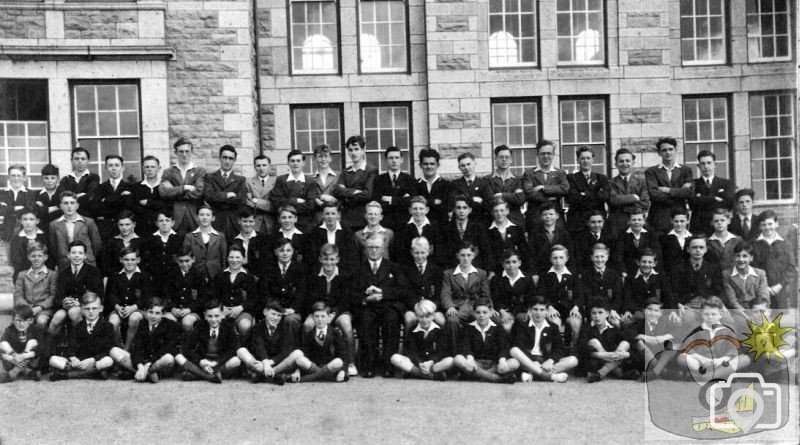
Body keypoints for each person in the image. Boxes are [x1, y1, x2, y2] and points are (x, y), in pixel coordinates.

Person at [354, 232, 408, 378]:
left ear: (383, 249)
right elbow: (351, 293)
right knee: (365, 320)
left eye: (377, 247)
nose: (373, 250)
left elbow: (403, 290)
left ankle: (388, 365)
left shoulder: (393, 267)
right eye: (370, 247)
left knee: (392, 320)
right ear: (365, 248)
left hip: (388, 306)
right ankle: (369, 365)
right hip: (368, 306)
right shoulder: (358, 268)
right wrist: (366, 298)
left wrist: (383, 292)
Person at [304, 243, 357, 376]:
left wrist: (333, 313)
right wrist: (322, 313)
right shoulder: (313, 275)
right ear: (320, 259)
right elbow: (310, 298)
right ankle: (309, 361)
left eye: (332, 259)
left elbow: (346, 299)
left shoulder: (345, 275)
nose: (329, 263)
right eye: (326, 259)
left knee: (346, 324)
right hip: (319, 311)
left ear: (337, 259)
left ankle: (350, 362)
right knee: (308, 324)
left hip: (338, 311)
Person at [509, 295, 579, 383]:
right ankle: (548, 376)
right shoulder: (523, 326)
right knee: (514, 350)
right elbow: (520, 346)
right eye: (535, 309)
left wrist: (550, 360)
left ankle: (533, 374)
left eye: (542, 310)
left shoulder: (553, 327)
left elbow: (559, 349)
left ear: (546, 312)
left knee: (573, 360)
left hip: (546, 360)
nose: (538, 313)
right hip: (528, 360)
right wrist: (533, 361)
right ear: (530, 310)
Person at [109, 297, 179, 383]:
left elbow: (166, 349)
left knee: (169, 358)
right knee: (114, 351)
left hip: (157, 361)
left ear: (163, 314)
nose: (153, 316)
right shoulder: (142, 324)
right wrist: (140, 366)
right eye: (150, 312)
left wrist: (148, 364)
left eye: (157, 313)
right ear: (146, 312)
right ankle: (148, 374)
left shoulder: (170, 325)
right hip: (143, 361)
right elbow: (136, 348)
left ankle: (142, 373)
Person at [48, 292, 115, 381]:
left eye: (94, 308)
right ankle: (93, 373)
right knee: (53, 360)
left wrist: (92, 360)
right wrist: (73, 358)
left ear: (101, 309)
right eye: (87, 309)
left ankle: (68, 375)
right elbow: (71, 347)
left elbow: (108, 349)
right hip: (79, 362)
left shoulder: (107, 326)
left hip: (95, 361)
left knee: (108, 360)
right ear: (82, 310)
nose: (91, 312)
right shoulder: (78, 326)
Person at [441, 241, 491, 354]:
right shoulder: (448, 274)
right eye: (463, 255)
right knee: (452, 320)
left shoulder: (481, 273)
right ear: (457, 256)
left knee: (483, 318)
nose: (465, 258)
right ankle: (454, 354)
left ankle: (479, 355)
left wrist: (489, 307)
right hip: (458, 307)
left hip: (476, 307)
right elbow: (446, 293)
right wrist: (449, 306)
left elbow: (485, 294)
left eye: (468, 255)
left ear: (473, 256)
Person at [175, 299, 241, 383]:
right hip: (203, 359)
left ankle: (199, 374)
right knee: (178, 357)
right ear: (205, 315)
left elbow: (232, 349)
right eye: (210, 316)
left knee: (236, 361)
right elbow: (188, 349)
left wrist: (216, 362)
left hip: (219, 361)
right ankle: (210, 376)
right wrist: (201, 361)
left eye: (217, 316)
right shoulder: (200, 327)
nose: (213, 320)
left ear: (222, 315)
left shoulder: (228, 327)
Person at [453, 298, 518, 383]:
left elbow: (503, 347)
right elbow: (465, 346)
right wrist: (470, 359)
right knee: (458, 359)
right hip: (476, 363)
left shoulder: (498, 328)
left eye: (485, 312)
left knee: (515, 362)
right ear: (473, 313)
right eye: (478, 312)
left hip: (494, 364)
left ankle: (475, 375)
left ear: (491, 313)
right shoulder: (468, 328)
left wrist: (502, 361)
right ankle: (497, 379)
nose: (481, 315)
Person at [677, 297, 738, 383]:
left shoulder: (728, 329)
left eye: (713, 314)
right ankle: (707, 374)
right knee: (682, 357)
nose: (710, 317)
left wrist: (719, 360)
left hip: (720, 362)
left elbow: (733, 350)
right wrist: (702, 359)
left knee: (737, 360)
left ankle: (708, 375)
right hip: (701, 362)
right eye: (706, 314)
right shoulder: (694, 327)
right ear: (702, 314)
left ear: (720, 314)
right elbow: (687, 346)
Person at [49, 241, 104, 336]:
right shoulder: (63, 273)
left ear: (85, 256)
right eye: (73, 253)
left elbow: (99, 293)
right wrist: (64, 302)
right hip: (66, 307)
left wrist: (79, 302)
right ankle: (49, 347)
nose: (77, 256)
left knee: (73, 312)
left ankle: (81, 343)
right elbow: (58, 295)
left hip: (86, 306)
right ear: (68, 255)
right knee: (57, 317)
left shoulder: (93, 271)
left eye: (80, 253)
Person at [390, 299, 453, 380]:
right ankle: (430, 376)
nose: (424, 320)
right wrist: (419, 363)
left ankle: (416, 373)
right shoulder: (412, 330)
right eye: (421, 316)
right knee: (395, 358)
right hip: (418, 363)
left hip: (433, 363)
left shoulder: (439, 330)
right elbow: (411, 351)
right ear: (416, 316)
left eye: (427, 316)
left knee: (451, 360)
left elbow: (441, 351)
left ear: (433, 316)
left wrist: (431, 362)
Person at [236, 299, 296, 384]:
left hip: (276, 362)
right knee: (241, 351)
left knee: (294, 355)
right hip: (261, 362)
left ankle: (263, 374)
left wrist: (269, 363)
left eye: (279, 315)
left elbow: (286, 351)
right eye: (273, 314)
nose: (275, 318)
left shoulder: (285, 328)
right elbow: (259, 347)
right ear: (265, 312)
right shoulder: (258, 327)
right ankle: (273, 375)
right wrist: (265, 362)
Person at [287, 301, 349, 383]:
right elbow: (305, 353)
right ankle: (324, 376)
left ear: (329, 317)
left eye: (323, 316)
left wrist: (342, 370)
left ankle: (307, 378)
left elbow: (343, 353)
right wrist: (297, 371)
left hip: (330, 366)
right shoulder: (309, 334)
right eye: (317, 316)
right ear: (312, 317)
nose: (320, 319)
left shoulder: (335, 333)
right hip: (314, 366)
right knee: (300, 359)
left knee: (338, 362)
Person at [105, 247, 151, 351]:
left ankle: (127, 348)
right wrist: (117, 307)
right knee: (113, 322)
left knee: (134, 318)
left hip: (138, 309)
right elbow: (111, 294)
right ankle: (118, 348)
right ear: (121, 260)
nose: (129, 262)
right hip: (119, 309)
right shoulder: (115, 275)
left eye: (132, 259)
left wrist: (134, 307)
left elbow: (146, 296)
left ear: (138, 260)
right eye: (126, 260)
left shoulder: (144, 276)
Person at [159, 137, 206, 238]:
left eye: (187, 151)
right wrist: (185, 187)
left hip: (194, 217)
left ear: (191, 152)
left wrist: (174, 191)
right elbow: (163, 192)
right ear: (176, 153)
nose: (184, 154)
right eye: (181, 151)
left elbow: (199, 192)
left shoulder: (199, 171)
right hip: (175, 219)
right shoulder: (169, 172)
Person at [644, 137, 693, 233]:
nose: (668, 152)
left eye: (670, 149)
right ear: (659, 153)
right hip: (659, 217)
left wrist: (668, 190)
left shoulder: (685, 170)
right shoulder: (652, 172)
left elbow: (689, 192)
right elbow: (654, 195)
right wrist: (679, 192)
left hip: (679, 217)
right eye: (664, 150)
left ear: (676, 150)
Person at [751, 210, 798, 308]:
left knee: (778, 320)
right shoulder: (754, 245)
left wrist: (779, 285)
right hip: (760, 291)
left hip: (780, 291)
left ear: (776, 224)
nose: (767, 227)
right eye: (764, 224)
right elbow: (752, 269)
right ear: (760, 226)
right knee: (761, 319)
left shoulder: (785, 244)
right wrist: (764, 287)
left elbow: (791, 269)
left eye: (770, 224)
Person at [670, 236, 724, 321]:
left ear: (706, 249)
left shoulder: (713, 267)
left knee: (727, 319)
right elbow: (673, 291)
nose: (698, 250)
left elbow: (718, 289)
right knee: (689, 319)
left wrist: (717, 303)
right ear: (688, 249)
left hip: (709, 302)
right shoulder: (679, 268)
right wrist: (678, 304)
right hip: (689, 304)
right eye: (694, 247)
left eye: (701, 247)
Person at [581, 297, 632, 383]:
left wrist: (621, 353)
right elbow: (582, 348)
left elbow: (627, 341)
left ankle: (601, 373)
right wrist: (601, 354)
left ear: (607, 314)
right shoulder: (586, 328)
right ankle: (618, 372)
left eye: (600, 312)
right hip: (595, 360)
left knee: (625, 343)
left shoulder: (614, 328)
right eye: (594, 313)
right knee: (594, 342)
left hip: (612, 356)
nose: (597, 316)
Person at [539, 245, 581, 348]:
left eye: (561, 258)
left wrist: (576, 307)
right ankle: (556, 350)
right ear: (550, 259)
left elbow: (580, 295)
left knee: (575, 322)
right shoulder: (545, 275)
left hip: (570, 309)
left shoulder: (573, 275)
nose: (558, 261)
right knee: (554, 323)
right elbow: (541, 295)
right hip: (552, 309)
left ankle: (574, 349)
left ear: (566, 258)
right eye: (555, 258)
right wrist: (549, 307)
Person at [332, 135, 378, 231]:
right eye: (350, 150)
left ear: (363, 150)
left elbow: (367, 194)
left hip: (362, 217)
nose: (353, 153)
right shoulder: (346, 171)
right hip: (346, 217)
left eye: (356, 149)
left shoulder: (371, 170)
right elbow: (336, 190)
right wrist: (355, 192)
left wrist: (345, 192)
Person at [213, 246, 257, 344]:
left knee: (245, 325)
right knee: (215, 322)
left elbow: (253, 299)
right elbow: (214, 296)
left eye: (237, 257)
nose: (234, 260)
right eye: (231, 257)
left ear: (243, 258)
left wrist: (240, 308)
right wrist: (221, 308)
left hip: (242, 311)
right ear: (227, 258)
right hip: (223, 310)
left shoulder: (248, 277)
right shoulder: (220, 275)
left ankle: (242, 348)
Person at [269, 150, 321, 232]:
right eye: (292, 161)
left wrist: (286, 205)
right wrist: (296, 200)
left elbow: (310, 205)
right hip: (284, 223)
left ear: (303, 163)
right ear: (288, 163)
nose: (295, 163)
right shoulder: (281, 180)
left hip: (304, 223)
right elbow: (276, 201)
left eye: (298, 161)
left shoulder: (310, 181)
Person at [203, 145, 247, 242]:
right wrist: (227, 195)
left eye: (231, 158)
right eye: (225, 157)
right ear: (220, 158)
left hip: (233, 221)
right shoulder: (210, 177)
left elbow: (241, 200)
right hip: (216, 220)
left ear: (234, 160)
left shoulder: (240, 180)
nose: (227, 161)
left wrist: (218, 198)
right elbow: (208, 196)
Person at [48, 191, 102, 270]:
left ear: (77, 206)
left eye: (72, 203)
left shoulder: (88, 222)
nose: (69, 206)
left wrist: (89, 258)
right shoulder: (54, 225)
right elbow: (53, 248)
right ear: (61, 206)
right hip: (65, 265)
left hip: (87, 263)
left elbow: (97, 245)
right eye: (65, 203)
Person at [260, 238, 305, 330]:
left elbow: (302, 293)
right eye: (281, 250)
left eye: (288, 250)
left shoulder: (300, 270)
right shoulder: (268, 269)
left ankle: (290, 345)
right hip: (273, 308)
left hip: (292, 310)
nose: (285, 253)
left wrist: (292, 309)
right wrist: (276, 309)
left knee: (290, 320)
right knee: (270, 317)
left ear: (293, 252)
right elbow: (264, 292)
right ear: (276, 252)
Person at [522, 140, 569, 230]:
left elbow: (564, 189)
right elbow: (529, 193)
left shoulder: (560, 173)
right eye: (542, 153)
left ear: (553, 154)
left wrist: (543, 188)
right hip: (535, 218)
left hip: (556, 219)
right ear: (537, 155)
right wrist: (551, 196)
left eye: (549, 153)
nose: (546, 156)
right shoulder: (529, 173)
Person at [402, 237, 445, 333]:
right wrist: (415, 306)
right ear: (412, 252)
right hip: (413, 307)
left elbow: (439, 293)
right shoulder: (405, 269)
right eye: (416, 253)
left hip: (432, 307)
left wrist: (430, 307)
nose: (420, 256)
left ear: (428, 252)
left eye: (422, 253)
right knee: (410, 319)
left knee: (441, 320)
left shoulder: (436, 269)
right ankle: (410, 346)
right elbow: (405, 291)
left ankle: (441, 347)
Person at [624, 297, 674, 378]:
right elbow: (628, 332)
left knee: (670, 342)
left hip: (660, 356)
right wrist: (644, 337)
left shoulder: (665, 323)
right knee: (638, 342)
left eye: (656, 311)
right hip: (643, 359)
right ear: (644, 310)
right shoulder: (639, 323)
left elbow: (678, 332)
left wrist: (663, 337)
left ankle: (655, 372)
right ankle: (660, 371)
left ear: (661, 313)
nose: (653, 313)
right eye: (649, 310)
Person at [575, 243, 623, 325]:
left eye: (602, 257)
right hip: (592, 311)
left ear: (607, 257)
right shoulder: (586, 275)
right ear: (592, 258)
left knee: (616, 323)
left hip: (610, 310)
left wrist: (612, 310)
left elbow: (617, 296)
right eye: (596, 257)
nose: (600, 260)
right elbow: (586, 295)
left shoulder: (614, 274)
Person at [13, 242, 57, 330]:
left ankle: (42, 342)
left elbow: (53, 295)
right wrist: (27, 309)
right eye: (33, 256)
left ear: (45, 257)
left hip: (44, 310)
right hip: (26, 309)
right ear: (29, 257)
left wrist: (40, 307)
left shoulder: (52, 275)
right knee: (20, 321)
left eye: (40, 256)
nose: (36, 259)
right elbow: (18, 295)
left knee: (41, 321)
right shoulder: (22, 275)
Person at [566, 146, 609, 235]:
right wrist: (596, 194)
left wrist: (583, 194)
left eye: (588, 158)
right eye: (582, 158)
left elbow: (605, 196)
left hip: (597, 222)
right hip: (577, 223)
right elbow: (571, 198)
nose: (586, 161)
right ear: (578, 160)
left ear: (592, 160)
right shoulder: (571, 178)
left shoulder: (601, 178)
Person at [689, 150, 734, 235]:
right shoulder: (694, 184)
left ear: (715, 164)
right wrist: (714, 198)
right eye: (703, 163)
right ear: (698, 166)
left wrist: (702, 198)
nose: (706, 166)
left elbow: (729, 203)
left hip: (720, 226)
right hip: (699, 227)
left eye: (709, 163)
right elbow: (692, 203)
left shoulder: (725, 183)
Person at [489, 249, 534, 333]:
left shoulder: (527, 278)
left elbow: (531, 296)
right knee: (507, 327)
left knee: (529, 322)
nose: (511, 265)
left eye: (514, 262)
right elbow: (495, 298)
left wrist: (530, 310)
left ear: (519, 263)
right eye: (507, 262)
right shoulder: (496, 279)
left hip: (522, 311)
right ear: (503, 264)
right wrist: (501, 311)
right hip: (505, 311)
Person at [608, 148, 650, 238]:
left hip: (637, 224)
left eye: (628, 161)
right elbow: (613, 200)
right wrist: (633, 197)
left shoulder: (642, 182)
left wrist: (623, 203)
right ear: (616, 164)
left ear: (633, 163)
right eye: (621, 161)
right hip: (617, 225)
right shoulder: (610, 183)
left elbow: (645, 203)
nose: (625, 164)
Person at [162, 246, 205, 333]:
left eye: (187, 261)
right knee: (167, 321)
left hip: (192, 310)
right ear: (177, 260)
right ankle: (171, 346)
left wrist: (189, 309)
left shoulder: (199, 274)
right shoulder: (171, 274)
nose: (184, 264)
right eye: (181, 261)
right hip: (174, 309)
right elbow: (166, 294)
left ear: (193, 259)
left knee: (187, 323)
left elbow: (203, 297)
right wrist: (172, 308)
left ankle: (188, 345)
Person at [722, 241, 770, 320]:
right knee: (743, 323)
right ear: (734, 257)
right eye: (738, 256)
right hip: (738, 311)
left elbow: (763, 295)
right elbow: (732, 300)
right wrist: (745, 315)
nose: (741, 259)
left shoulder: (760, 273)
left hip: (756, 307)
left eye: (745, 256)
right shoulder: (726, 274)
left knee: (765, 322)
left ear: (751, 258)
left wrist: (756, 312)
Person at [621, 248, 671, 323]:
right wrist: (629, 310)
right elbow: (627, 298)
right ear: (638, 262)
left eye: (650, 262)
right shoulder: (630, 278)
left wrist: (670, 311)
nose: (647, 265)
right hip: (639, 312)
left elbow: (668, 296)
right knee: (627, 322)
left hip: (657, 311)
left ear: (655, 263)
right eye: (644, 262)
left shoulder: (661, 277)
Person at [371, 146, 414, 233]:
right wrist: (402, 200)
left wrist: (390, 199)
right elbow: (377, 201)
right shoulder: (379, 179)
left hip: (404, 223)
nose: (394, 161)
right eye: (391, 158)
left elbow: (411, 201)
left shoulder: (410, 179)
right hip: (385, 223)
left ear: (402, 160)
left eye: (397, 157)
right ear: (386, 160)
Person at [393, 196, 444, 268]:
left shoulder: (435, 226)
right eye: (415, 209)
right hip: (408, 268)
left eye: (421, 208)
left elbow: (439, 251)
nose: (418, 211)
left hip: (430, 268)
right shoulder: (402, 227)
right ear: (410, 210)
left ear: (427, 210)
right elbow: (400, 252)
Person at [441, 195, 489, 270]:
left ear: (470, 210)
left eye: (465, 207)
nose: (461, 211)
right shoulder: (446, 228)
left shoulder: (478, 227)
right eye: (458, 207)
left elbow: (485, 250)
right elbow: (443, 253)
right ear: (454, 209)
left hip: (475, 267)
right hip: (453, 268)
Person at [93, 155, 135, 241]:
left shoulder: (130, 187)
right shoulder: (100, 187)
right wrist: (120, 197)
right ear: (106, 168)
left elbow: (129, 207)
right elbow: (98, 209)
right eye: (110, 165)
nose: (114, 168)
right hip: (106, 230)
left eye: (117, 165)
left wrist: (106, 200)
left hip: (125, 229)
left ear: (122, 168)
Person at [485, 197, 530, 276]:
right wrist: (491, 271)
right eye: (496, 211)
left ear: (507, 211)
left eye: (502, 210)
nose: (499, 213)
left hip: (515, 270)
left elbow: (524, 252)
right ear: (492, 212)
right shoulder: (487, 231)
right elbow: (488, 254)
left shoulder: (517, 229)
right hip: (497, 272)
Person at [528, 203, 574, 280]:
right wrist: (534, 273)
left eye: (551, 214)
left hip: (560, 271)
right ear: (541, 217)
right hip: (541, 271)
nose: (548, 217)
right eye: (545, 214)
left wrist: (570, 271)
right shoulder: (535, 233)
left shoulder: (564, 233)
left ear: (557, 216)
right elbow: (532, 255)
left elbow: (570, 254)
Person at [0, 305, 45, 382]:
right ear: (13, 320)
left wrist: (24, 356)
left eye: (25, 320)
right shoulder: (10, 330)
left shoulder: (36, 330)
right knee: (3, 344)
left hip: (31, 361)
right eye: (18, 320)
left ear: (31, 320)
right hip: (13, 360)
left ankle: (13, 373)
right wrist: (14, 357)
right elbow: (2, 349)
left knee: (32, 342)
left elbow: (41, 348)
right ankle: (27, 371)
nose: (21, 324)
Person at [310, 201, 358, 273]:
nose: (330, 216)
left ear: (338, 215)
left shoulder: (347, 231)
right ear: (322, 215)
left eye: (333, 213)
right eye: (327, 214)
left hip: (342, 272)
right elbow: (313, 256)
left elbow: (351, 256)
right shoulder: (315, 232)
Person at [183, 205, 227, 282]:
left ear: (213, 218)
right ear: (197, 217)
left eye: (208, 215)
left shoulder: (220, 236)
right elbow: (187, 257)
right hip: (196, 276)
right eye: (201, 215)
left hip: (216, 275)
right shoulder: (190, 236)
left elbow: (223, 258)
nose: (205, 217)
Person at [484, 145, 525, 227]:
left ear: (511, 160)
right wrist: (512, 196)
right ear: (495, 158)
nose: (504, 159)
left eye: (507, 157)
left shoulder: (518, 179)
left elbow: (520, 199)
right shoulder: (487, 179)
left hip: (515, 221)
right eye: (501, 157)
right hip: (494, 222)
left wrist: (501, 195)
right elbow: (489, 199)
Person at [613, 209, 662, 277]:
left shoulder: (650, 232)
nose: (636, 222)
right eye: (634, 220)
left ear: (644, 221)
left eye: (639, 220)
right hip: (628, 270)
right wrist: (623, 271)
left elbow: (657, 252)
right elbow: (618, 255)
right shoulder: (622, 234)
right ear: (629, 221)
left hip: (647, 268)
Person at [141, 211, 182, 289]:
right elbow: (146, 259)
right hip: (155, 279)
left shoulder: (179, 238)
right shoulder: (150, 239)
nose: (164, 223)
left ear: (172, 223)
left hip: (174, 279)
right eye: (161, 221)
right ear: (156, 223)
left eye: (167, 220)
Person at [57, 147, 100, 217]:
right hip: (68, 218)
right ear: (71, 160)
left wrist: (70, 197)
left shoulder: (94, 178)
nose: (80, 161)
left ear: (88, 160)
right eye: (76, 159)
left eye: (83, 159)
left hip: (87, 217)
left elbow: (91, 198)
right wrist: (81, 195)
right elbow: (60, 199)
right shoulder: (65, 180)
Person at [100, 210, 143, 278]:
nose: (124, 228)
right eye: (121, 225)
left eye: (127, 224)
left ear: (134, 224)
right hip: (116, 280)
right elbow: (106, 266)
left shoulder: (142, 242)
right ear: (117, 225)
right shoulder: (111, 242)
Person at [451, 152, 491, 225]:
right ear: (459, 167)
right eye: (463, 165)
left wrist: (465, 198)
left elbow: (489, 205)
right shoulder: (455, 184)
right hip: (461, 223)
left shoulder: (484, 184)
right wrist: (475, 200)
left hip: (480, 222)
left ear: (475, 164)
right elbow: (454, 202)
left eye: (468, 164)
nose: (466, 167)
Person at [8, 207, 49, 280]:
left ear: (37, 221)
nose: (28, 222)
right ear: (20, 221)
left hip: (43, 276)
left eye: (31, 219)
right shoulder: (16, 238)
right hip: (22, 275)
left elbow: (50, 258)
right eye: (25, 219)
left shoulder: (44, 237)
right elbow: (16, 260)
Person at [415, 148, 451, 227]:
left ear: (437, 165)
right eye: (425, 164)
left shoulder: (446, 185)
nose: (429, 166)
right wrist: (433, 202)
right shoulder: (414, 184)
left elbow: (446, 206)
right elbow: (414, 204)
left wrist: (424, 202)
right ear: (420, 165)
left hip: (441, 227)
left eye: (432, 164)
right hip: (421, 227)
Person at [133, 156, 168, 237]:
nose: (149, 169)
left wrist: (148, 203)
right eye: (147, 167)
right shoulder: (136, 187)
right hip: (142, 229)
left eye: (153, 167)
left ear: (159, 168)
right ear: (143, 169)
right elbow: (134, 207)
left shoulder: (165, 186)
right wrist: (157, 204)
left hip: (161, 229)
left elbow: (167, 205)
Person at [1, 165, 36, 241]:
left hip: (26, 236)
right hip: (4, 236)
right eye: (13, 175)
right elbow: (1, 210)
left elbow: (30, 209)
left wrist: (8, 208)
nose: (16, 178)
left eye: (19, 175)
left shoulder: (31, 194)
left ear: (24, 177)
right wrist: (16, 208)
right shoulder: (2, 194)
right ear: (9, 177)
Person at [230, 208, 269, 274]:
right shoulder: (234, 240)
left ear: (254, 222)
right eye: (245, 221)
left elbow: (265, 261)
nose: (248, 224)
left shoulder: (262, 238)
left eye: (250, 221)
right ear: (239, 221)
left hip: (258, 274)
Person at [245, 154, 277, 235]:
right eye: (258, 165)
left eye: (264, 165)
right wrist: (266, 203)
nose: (261, 168)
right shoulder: (248, 182)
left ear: (269, 166)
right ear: (254, 167)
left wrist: (257, 201)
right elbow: (248, 203)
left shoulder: (277, 182)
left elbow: (277, 204)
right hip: (255, 223)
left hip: (273, 223)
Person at [311, 144, 339, 227]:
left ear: (330, 158)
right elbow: (310, 197)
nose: (323, 159)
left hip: (335, 218)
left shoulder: (339, 176)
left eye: (326, 156)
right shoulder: (310, 179)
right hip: (317, 218)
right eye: (320, 156)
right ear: (315, 158)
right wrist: (321, 197)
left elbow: (342, 197)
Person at [659, 208, 693, 278]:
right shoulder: (664, 238)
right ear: (671, 221)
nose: (679, 224)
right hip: (671, 276)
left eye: (682, 221)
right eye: (676, 221)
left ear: (688, 221)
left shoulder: (693, 239)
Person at [34, 163, 63, 232]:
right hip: (41, 230)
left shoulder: (62, 193)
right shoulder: (36, 194)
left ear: (58, 178)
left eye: (53, 178)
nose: (49, 181)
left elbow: (65, 209)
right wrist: (57, 207)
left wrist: (43, 209)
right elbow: (35, 212)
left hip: (60, 230)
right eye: (46, 178)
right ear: (42, 178)